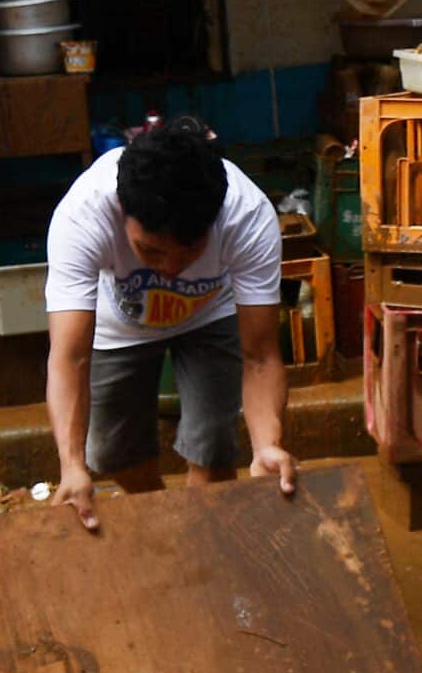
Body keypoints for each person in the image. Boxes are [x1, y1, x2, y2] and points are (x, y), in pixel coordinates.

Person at [44, 115, 301, 532]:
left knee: (214, 445)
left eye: (188, 253)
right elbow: (68, 358)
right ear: (121, 210)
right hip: (119, 321)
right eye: (151, 251)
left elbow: (260, 355)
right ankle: (166, 516)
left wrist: (268, 444)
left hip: (212, 312)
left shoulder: (247, 215)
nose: (170, 269)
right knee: (109, 452)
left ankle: (205, 533)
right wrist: (71, 467)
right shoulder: (82, 215)